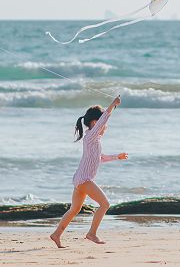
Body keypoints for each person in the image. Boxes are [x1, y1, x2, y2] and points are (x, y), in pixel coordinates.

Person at [50, 96, 128, 247]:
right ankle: (92, 233)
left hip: (80, 179)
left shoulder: (94, 140)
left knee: (74, 209)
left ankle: (56, 234)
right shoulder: (91, 136)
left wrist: (117, 157)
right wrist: (112, 105)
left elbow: (100, 158)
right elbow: (104, 120)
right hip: (85, 180)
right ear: (94, 123)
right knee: (105, 204)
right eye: (102, 125)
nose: (105, 127)